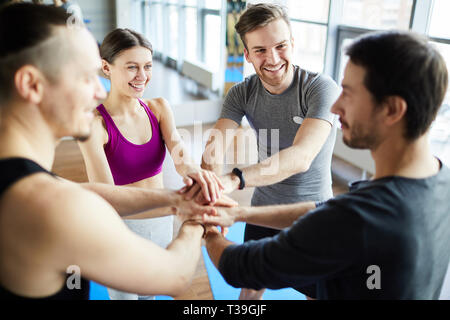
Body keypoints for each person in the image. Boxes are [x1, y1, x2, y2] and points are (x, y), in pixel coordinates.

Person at [201, 30, 450, 300]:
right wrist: (238, 215)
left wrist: (210, 228)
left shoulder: (359, 219)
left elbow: (243, 268)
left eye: (348, 93)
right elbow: (323, 211)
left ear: (391, 109)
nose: (335, 106)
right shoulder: (439, 180)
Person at [0, 3, 225, 300]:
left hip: (155, 221)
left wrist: (180, 196)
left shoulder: (38, 189)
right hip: (126, 226)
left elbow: (88, 193)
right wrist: (195, 213)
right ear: (31, 84)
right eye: (84, 76)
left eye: (147, 66)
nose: (98, 91)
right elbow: (176, 276)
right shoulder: (51, 204)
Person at [196, 3, 340, 300]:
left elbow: (301, 157)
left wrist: (234, 179)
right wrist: (211, 189)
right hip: (261, 212)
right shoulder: (242, 93)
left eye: (280, 46)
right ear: (246, 55)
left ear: (293, 44)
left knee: (317, 293)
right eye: (260, 50)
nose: (272, 58)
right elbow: (215, 147)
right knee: (250, 288)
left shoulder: (319, 88)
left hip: (312, 215)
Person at [77, 28, 225, 300]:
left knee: (151, 296)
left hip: (161, 221)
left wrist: (197, 176)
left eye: (147, 66)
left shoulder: (158, 108)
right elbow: (109, 197)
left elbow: (181, 157)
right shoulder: (95, 126)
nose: (142, 76)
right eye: (131, 67)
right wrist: (179, 203)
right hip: (121, 230)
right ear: (106, 68)